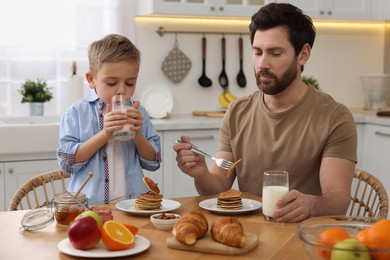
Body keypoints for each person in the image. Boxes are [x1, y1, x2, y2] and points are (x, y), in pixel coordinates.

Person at [173, 3, 357, 223]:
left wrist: (311, 204)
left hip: (304, 237)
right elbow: (217, 187)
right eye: (257, 52)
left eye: (275, 53)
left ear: (303, 54)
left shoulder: (335, 117)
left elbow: (338, 199)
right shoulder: (237, 112)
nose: (262, 64)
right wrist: (201, 173)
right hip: (249, 234)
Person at [57, 34, 161, 205]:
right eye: (112, 83)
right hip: (89, 207)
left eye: (130, 83)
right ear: (91, 79)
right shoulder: (75, 113)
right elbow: (67, 163)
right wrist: (105, 134)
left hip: (132, 205)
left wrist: (137, 134)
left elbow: (154, 162)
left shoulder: (139, 112)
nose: (122, 91)